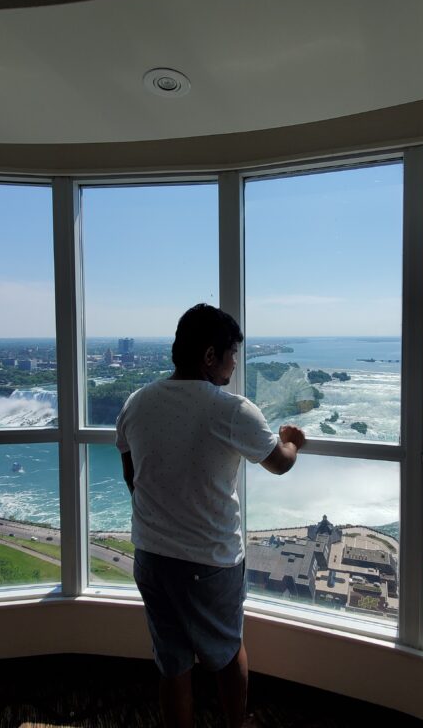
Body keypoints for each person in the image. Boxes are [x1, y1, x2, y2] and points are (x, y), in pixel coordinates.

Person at [115, 304, 305, 728]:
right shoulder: (232, 410)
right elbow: (278, 463)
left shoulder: (136, 403)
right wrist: (292, 441)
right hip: (210, 561)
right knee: (226, 651)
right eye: (232, 355)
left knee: (173, 661)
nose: (234, 365)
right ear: (209, 356)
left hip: (150, 555)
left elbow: (133, 477)